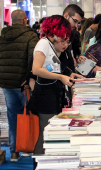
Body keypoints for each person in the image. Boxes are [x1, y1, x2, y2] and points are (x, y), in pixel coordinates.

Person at [30, 15, 83, 158]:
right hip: (45, 96)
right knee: (45, 136)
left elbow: (56, 67)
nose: (64, 43)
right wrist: (60, 77)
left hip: (55, 95)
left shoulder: (53, 46)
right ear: (53, 32)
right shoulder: (43, 44)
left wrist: (71, 74)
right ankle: (38, 165)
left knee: (51, 136)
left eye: (66, 39)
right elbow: (36, 69)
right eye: (62, 38)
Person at [0, 9, 39, 162]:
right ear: (25, 20)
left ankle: (14, 151)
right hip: (23, 84)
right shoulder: (30, 36)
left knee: (12, 116)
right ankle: (29, 146)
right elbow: (33, 59)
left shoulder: (2, 36)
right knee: (29, 116)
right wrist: (29, 79)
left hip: (6, 83)